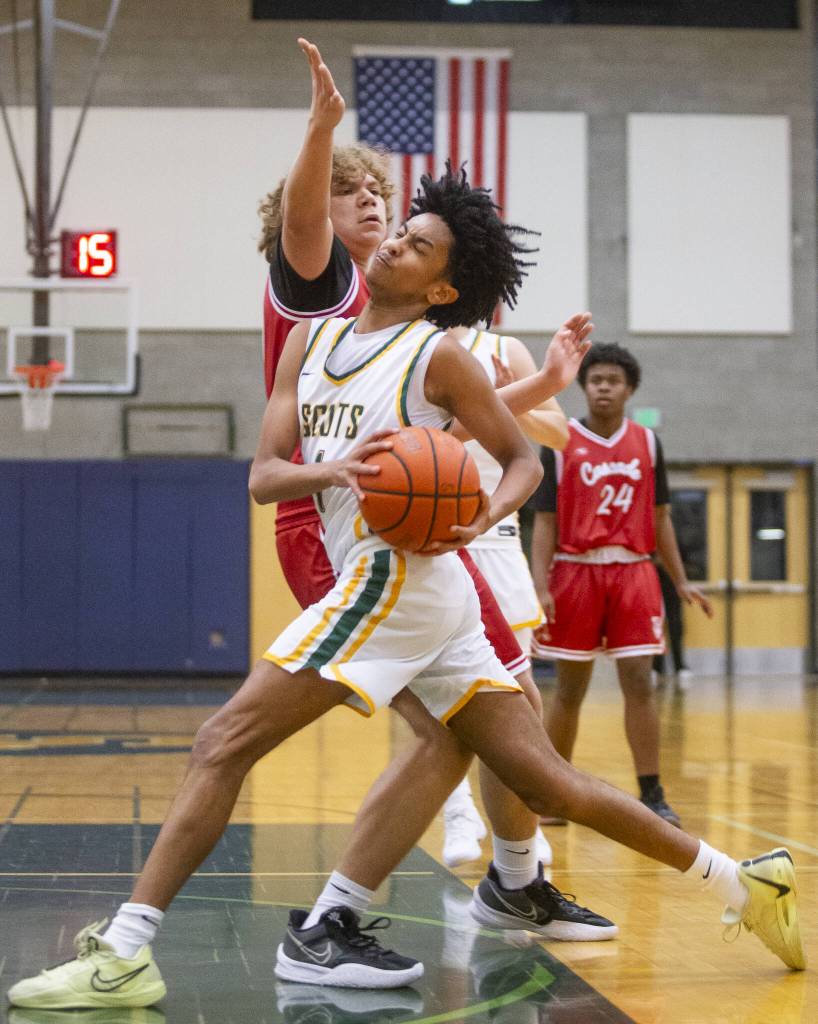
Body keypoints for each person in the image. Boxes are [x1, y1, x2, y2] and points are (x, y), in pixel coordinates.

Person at [7, 166, 804, 1012]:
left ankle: (127, 949)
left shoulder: (440, 355)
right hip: (416, 591)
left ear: (444, 285)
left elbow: (527, 460)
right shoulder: (308, 345)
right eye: (400, 231)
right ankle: (745, 883)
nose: (393, 241)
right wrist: (334, 467)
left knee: (222, 741)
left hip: (402, 577)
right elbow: (266, 477)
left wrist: (479, 513)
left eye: (418, 243)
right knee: (543, 782)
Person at [258, 37, 580, 895]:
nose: (371, 204)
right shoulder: (319, 284)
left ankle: (515, 876)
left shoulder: (403, 323)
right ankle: (376, 904)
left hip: (407, 519)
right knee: (467, 724)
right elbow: (299, 220)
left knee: (502, 699)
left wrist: (546, 382)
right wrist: (323, 126)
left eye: (379, 194)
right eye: (345, 191)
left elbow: (481, 430)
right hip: (332, 525)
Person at [530, 342, 714, 827]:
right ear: (584, 386)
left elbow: (661, 517)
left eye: (613, 381)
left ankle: (652, 793)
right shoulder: (559, 439)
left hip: (634, 569)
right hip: (575, 569)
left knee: (641, 682)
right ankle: (554, 792)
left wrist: (681, 580)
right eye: (595, 380)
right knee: (570, 688)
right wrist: (540, 584)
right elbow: (544, 520)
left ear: (629, 389)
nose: (603, 388)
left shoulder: (648, 443)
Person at [440, 325, 567, 868]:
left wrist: (515, 396)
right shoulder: (413, 342)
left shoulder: (504, 348)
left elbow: (558, 435)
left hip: (498, 535)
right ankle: (457, 809)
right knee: (438, 692)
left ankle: (523, 819)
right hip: (437, 533)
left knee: (518, 694)